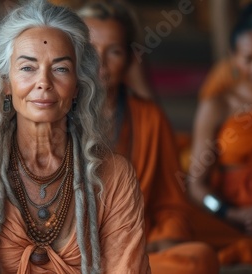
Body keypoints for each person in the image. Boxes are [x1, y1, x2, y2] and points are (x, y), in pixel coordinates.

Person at [0, 1, 150, 273]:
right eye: (27, 68)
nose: (44, 82)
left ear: (78, 86)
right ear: (5, 83)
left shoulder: (115, 176)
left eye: (60, 69)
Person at [78, 2, 219, 274]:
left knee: (198, 259)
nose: (101, 64)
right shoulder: (54, 111)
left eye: (115, 52)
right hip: (71, 250)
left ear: (131, 60)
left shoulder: (148, 118)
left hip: (136, 243)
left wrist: (160, 240)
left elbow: (171, 205)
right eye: (89, 51)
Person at [187, 1, 252, 266]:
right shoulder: (217, 106)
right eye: (248, 59)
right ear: (232, 55)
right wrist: (231, 213)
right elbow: (197, 186)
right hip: (226, 213)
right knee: (175, 229)